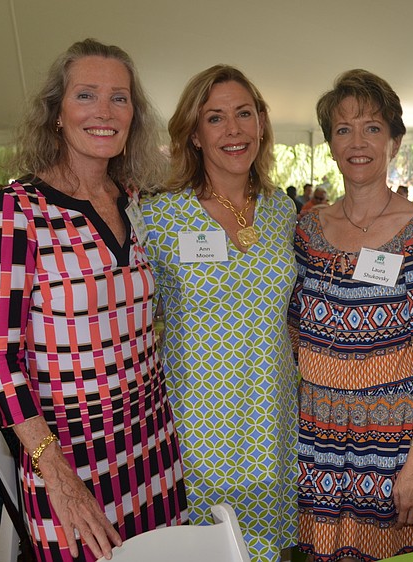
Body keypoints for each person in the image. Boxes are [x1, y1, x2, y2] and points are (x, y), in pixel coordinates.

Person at [0, 38, 187, 561]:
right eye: (86, 95)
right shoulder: (18, 209)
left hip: (149, 440)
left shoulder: (136, 202)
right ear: (56, 113)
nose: (104, 112)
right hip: (68, 452)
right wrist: (55, 472)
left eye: (119, 98)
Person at [289, 69, 413, 561]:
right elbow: (292, 325)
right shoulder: (307, 230)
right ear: (330, 144)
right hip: (319, 434)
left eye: (372, 127)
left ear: (394, 140)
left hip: (394, 442)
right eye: (343, 129)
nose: (358, 142)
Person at [142, 64, 297, 562]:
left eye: (243, 114)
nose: (233, 130)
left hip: (272, 420)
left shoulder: (282, 211)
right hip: (194, 424)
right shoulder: (157, 215)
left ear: (261, 124)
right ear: (193, 133)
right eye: (215, 118)